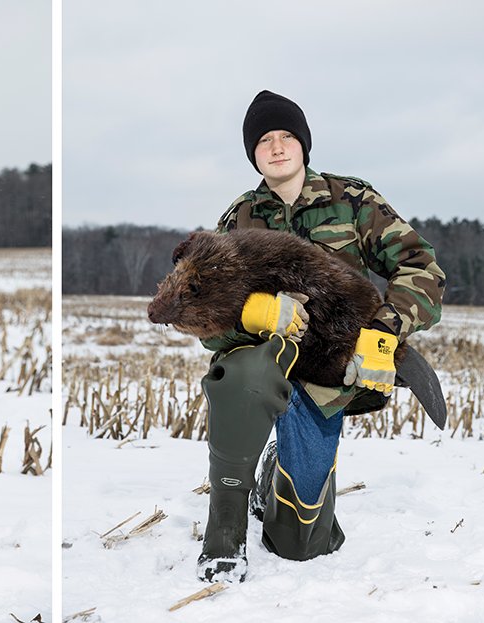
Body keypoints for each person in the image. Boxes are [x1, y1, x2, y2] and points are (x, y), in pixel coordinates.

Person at [195, 90, 446, 582]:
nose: (277, 147)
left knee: (299, 545)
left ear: (304, 144)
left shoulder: (352, 200)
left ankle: (275, 475)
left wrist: (383, 333)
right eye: (264, 140)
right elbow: (202, 311)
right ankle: (224, 528)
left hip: (327, 371)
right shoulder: (237, 219)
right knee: (241, 373)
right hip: (261, 361)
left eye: (286, 136)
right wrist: (253, 311)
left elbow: (423, 270)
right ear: (253, 154)